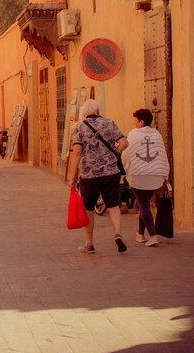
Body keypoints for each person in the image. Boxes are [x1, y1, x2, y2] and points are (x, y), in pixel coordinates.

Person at [66, 99, 129, 254]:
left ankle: (89, 244)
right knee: (114, 206)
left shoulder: (79, 128)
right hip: (110, 172)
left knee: (88, 209)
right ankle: (118, 234)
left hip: (89, 174)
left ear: (84, 113)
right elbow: (124, 142)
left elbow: (77, 152)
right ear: (98, 111)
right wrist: (115, 154)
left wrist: (72, 177)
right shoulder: (109, 123)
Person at [122, 108, 170, 247]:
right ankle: (140, 234)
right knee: (144, 205)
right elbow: (162, 154)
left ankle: (153, 235)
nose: (134, 124)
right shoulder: (157, 135)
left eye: (135, 121)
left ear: (141, 121)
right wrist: (164, 174)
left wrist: (125, 170)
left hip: (139, 175)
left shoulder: (133, 134)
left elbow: (126, 154)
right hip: (155, 176)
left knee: (143, 205)